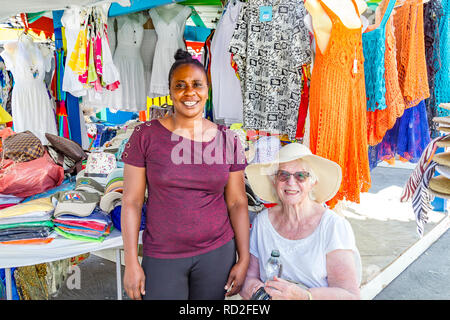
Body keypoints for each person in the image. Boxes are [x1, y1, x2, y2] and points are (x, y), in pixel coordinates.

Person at [121, 49, 249, 300]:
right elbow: (132, 202)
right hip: (162, 255)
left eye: (197, 85)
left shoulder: (228, 139)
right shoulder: (144, 135)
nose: (189, 92)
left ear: (207, 90)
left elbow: (237, 202)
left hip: (217, 253)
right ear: (170, 91)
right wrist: (131, 262)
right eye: (180, 85)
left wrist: (243, 258)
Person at [241, 143, 362, 300]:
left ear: (313, 182)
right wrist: (261, 294)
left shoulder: (333, 226)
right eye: (283, 175)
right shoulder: (262, 222)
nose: (291, 182)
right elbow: (248, 278)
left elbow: (350, 295)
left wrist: (304, 296)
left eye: (301, 176)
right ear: (274, 181)